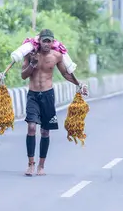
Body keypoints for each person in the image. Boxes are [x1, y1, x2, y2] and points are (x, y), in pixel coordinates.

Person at [22, 29, 88, 176]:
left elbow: (66, 73)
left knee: (45, 131)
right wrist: (32, 64)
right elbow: (23, 75)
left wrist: (79, 84)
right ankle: (30, 164)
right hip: (33, 95)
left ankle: (41, 165)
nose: (46, 43)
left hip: (48, 96)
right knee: (31, 127)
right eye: (44, 40)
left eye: (49, 41)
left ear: (52, 42)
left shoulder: (56, 56)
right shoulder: (30, 54)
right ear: (39, 41)